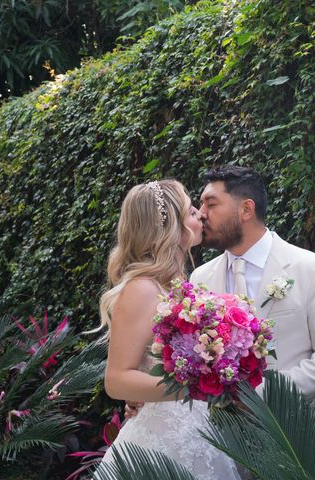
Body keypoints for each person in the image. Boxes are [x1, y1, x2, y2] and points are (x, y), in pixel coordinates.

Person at [126, 165, 315, 419]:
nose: (201, 215)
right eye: (200, 205)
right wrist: (150, 397)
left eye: (210, 204)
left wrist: (262, 396)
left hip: (294, 438)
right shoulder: (200, 277)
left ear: (246, 210)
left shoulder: (312, 270)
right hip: (219, 445)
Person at [95, 179, 240, 480]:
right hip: (161, 443)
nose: (200, 215)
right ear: (170, 227)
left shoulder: (172, 286)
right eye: (190, 212)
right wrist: (192, 387)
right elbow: (117, 379)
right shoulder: (142, 289)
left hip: (195, 429)